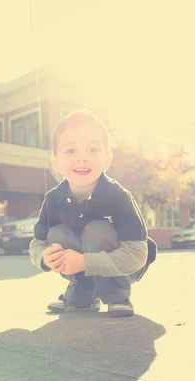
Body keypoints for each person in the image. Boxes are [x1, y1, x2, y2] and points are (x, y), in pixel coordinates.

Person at [29, 110, 156, 317]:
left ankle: (117, 295)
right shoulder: (53, 199)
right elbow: (37, 243)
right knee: (56, 235)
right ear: (56, 162)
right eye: (70, 151)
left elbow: (137, 254)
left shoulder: (118, 196)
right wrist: (44, 257)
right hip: (79, 267)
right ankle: (82, 292)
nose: (82, 158)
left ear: (107, 158)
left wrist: (84, 262)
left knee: (96, 230)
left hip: (125, 269)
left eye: (92, 149)